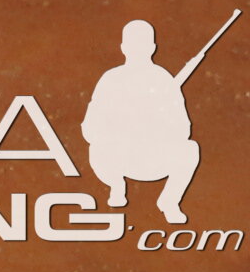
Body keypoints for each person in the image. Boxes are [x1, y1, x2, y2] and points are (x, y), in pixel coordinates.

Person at [82, 19, 203, 224]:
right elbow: (90, 127)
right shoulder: (110, 79)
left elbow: (183, 129)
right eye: (133, 45)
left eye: (142, 45)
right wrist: (119, 129)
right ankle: (116, 186)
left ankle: (169, 201)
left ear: (152, 48)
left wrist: (156, 124)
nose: (137, 49)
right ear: (123, 48)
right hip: (118, 158)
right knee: (96, 148)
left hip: (152, 158)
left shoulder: (164, 81)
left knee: (190, 149)